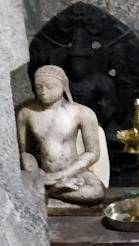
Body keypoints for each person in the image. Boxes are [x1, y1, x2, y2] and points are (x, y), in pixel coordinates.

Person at [16, 64, 108, 205]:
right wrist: (37, 175)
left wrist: (63, 175)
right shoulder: (26, 113)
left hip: (73, 170)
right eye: (38, 87)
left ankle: (48, 191)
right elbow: (26, 152)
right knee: (17, 186)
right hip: (42, 172)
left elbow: (93, 152)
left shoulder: (82, 113)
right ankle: (52, 189)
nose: (43, 92)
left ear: (64, 86)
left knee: (97, 192)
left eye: (50, 87)